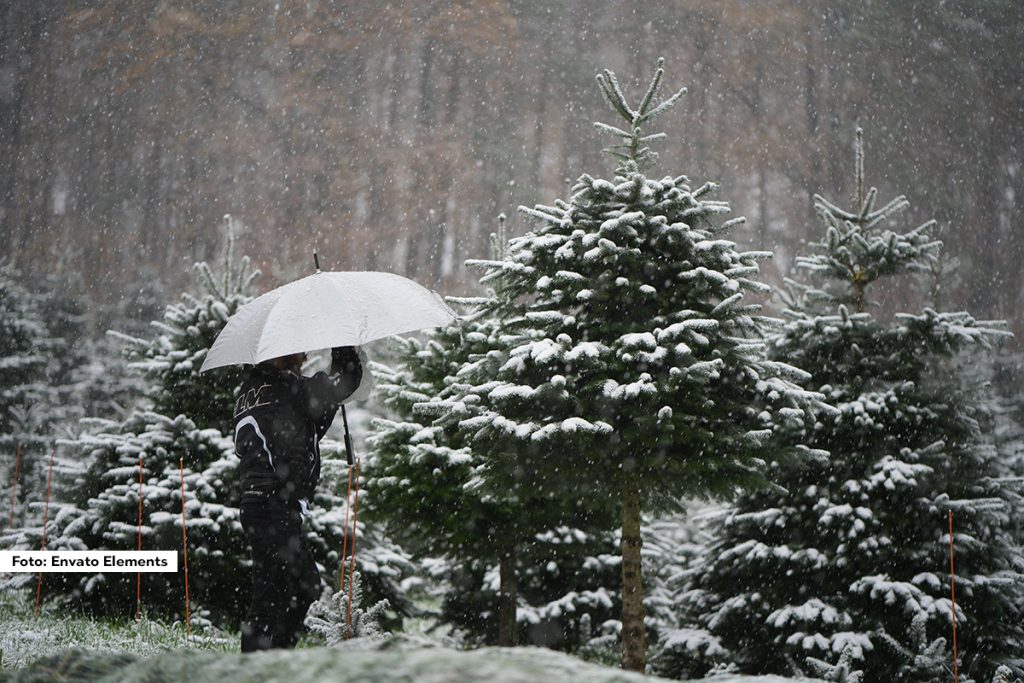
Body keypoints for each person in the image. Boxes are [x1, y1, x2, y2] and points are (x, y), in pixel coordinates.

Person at [233, 345, 370, 652]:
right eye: (300, 353)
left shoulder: (250, 390)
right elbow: (341, 384)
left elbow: (308, 426)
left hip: (258, 504)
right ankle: (262, 665)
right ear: (281, 353)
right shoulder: (285, 387)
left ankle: (271, 659)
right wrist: (344, 348)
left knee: (286, 589)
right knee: (286, 592)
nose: (305, 358)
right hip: (274, 505)